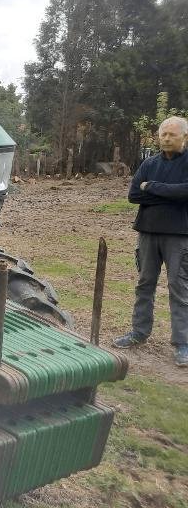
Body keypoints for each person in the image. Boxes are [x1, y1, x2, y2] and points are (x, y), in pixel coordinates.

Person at [113, 116, 188, 367]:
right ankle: (139, 332)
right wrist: (171, 194)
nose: (166, 138)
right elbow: (134, 195)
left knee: (179, 288)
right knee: (145, 283)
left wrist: (152, 187)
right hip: (147, 232)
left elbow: (185, 192)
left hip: (179, 236)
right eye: (163, 134)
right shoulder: (149, 163)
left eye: (172, 134)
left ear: (184, 137)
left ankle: (182, 344)